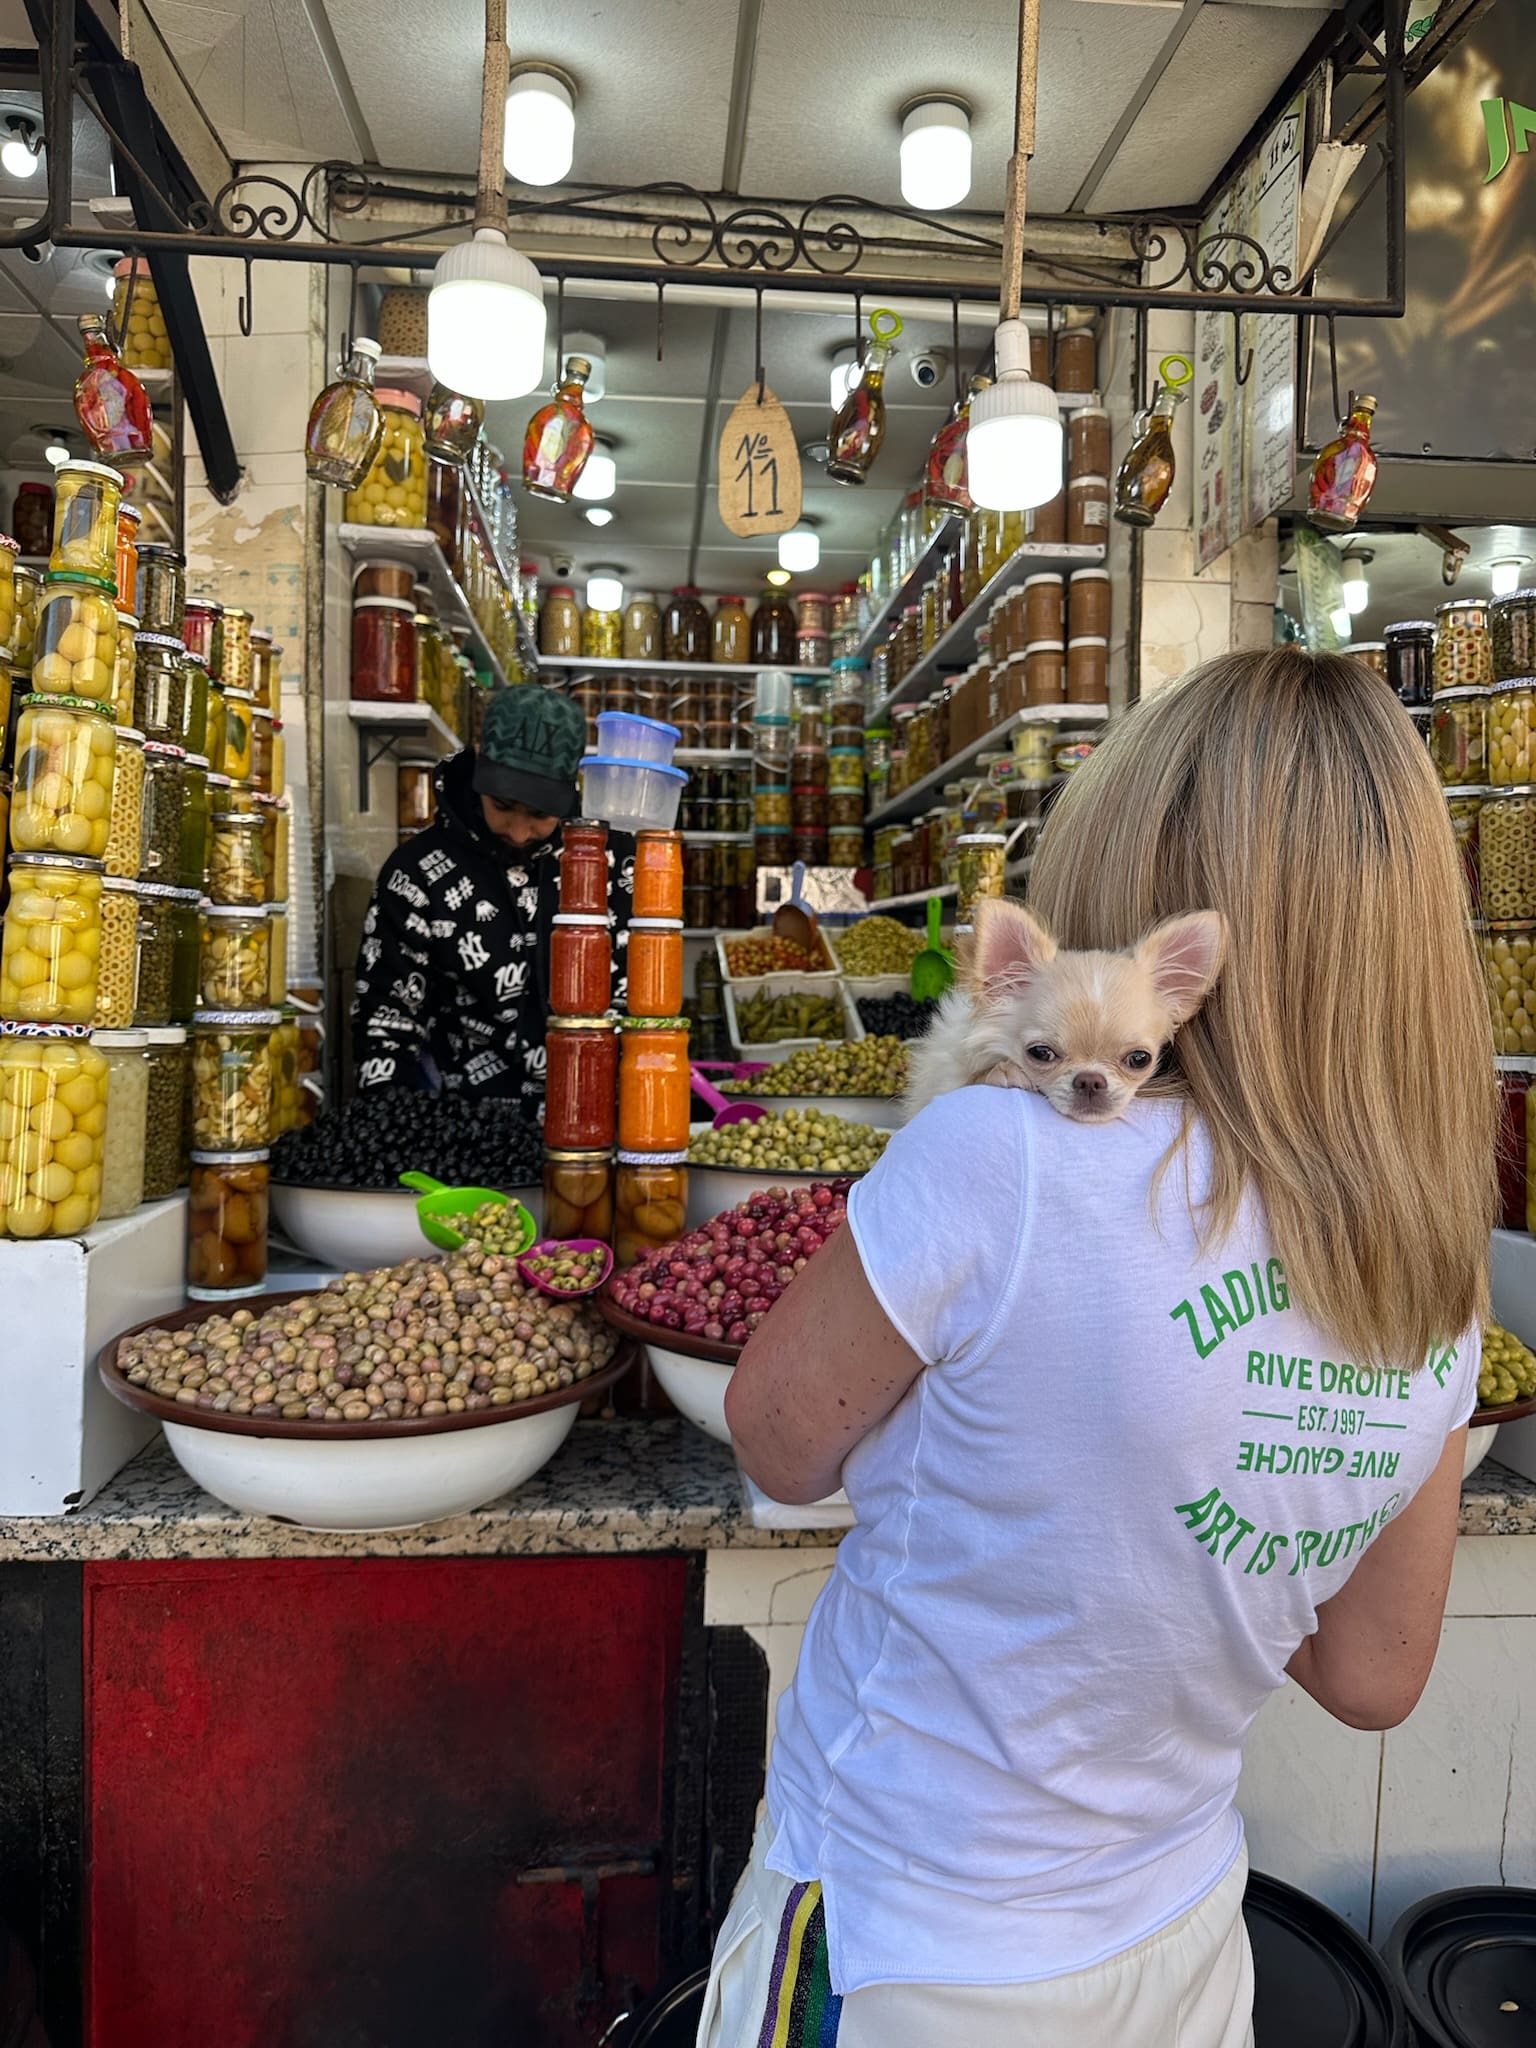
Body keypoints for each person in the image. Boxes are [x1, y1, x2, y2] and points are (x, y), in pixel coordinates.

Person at [707, 649, 1494, 2048]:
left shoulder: (1002, 1159)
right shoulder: (1434, 1272)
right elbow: (1373, 1674)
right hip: (1183, 1946)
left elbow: (778, 1434)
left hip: (908, 1943)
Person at [351, 687, 630, 1108]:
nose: (519, 832)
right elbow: (387, 1025)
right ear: (479, 758)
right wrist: (398, 1132)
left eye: (540, 814)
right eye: (502, 806)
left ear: (574, 784)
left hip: (597, 1128)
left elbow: (641, 1005)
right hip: (469, 1134)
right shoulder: (418, 872)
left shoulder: (610, 862)